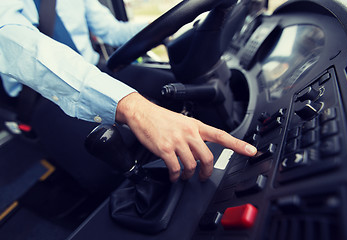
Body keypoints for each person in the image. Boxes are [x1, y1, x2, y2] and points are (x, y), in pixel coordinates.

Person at [0, 0, 257, 186]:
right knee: (101, 171)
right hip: (39, 93)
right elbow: (21, 45)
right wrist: (135, 108)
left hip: (95, 69)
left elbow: (113, 31)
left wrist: (171, 23)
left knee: (189, 94)